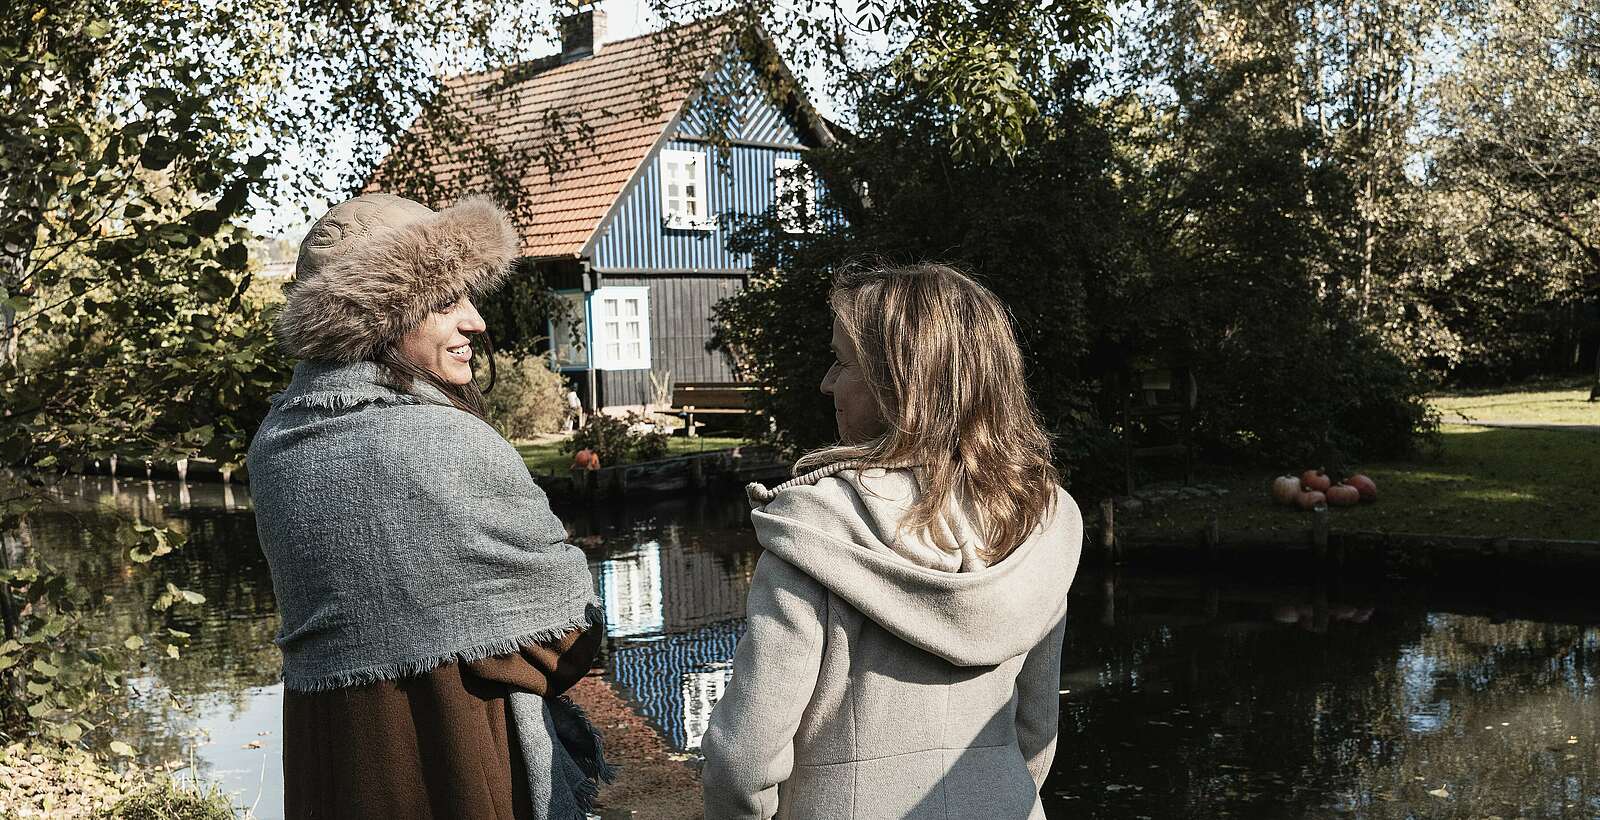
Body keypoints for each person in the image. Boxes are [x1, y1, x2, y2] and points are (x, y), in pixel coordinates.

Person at [247, 193, 612, 820]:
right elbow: (563, 637)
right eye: (446, 303)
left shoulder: (275, 444)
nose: (475, 321)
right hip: (459, 767)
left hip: (334, 767)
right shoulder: (446, 441)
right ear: (375, 318)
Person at [702, 263, 1083, 819]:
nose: (826, 382)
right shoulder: (1035, 521)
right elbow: (1037, 730)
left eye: (842, 362)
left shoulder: (813, 530)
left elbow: (744, 760)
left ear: (897, 382)